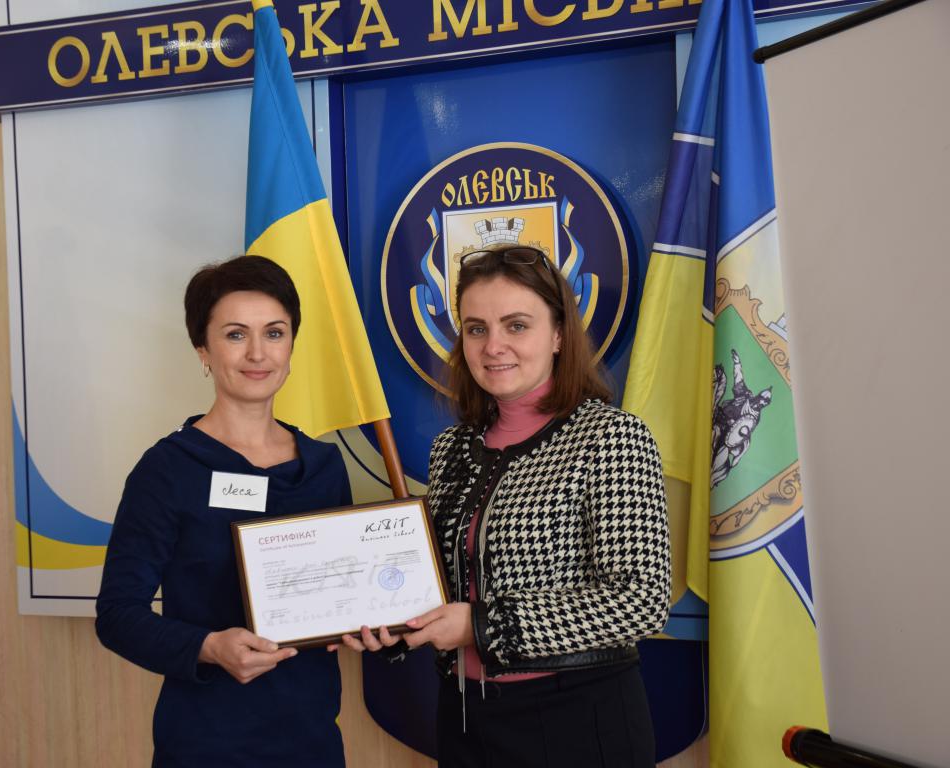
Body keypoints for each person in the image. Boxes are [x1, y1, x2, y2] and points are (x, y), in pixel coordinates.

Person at [343, 243, 671, 767]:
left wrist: (480, 625)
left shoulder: (610, 438)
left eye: (516, 325)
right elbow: (442, 584)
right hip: (465, 717)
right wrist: (392, 623)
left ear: (559, 334)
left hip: (577, 719)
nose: (493, 346)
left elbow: (639, 600)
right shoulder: (452, 448)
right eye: (476, 329)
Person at [95, 255, 351, 768]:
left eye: (274, 333)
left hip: (313, 739)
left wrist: (372, 620)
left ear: (292, 345)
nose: (258, 353)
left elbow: (345, 594)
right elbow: (118, 616)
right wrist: (209, 647)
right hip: (207, 743)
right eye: (236, 335)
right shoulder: (168, 469)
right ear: (203, 350)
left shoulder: (325, 466)